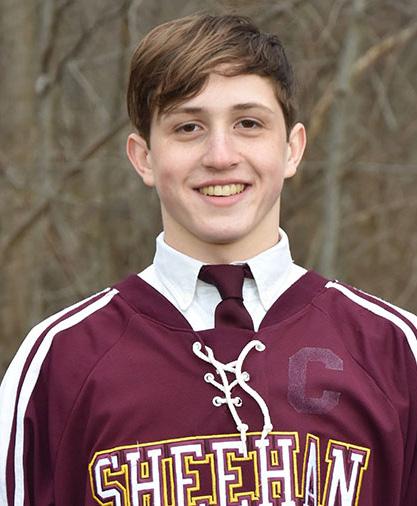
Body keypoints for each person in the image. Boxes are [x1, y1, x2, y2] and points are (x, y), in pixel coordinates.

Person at [0, 13, 416, 506]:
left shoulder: (394, 350)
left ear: (292, 149)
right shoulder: (59, 359)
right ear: (144, 157)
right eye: (188, 127)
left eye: (248, 124)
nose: (220, 155)